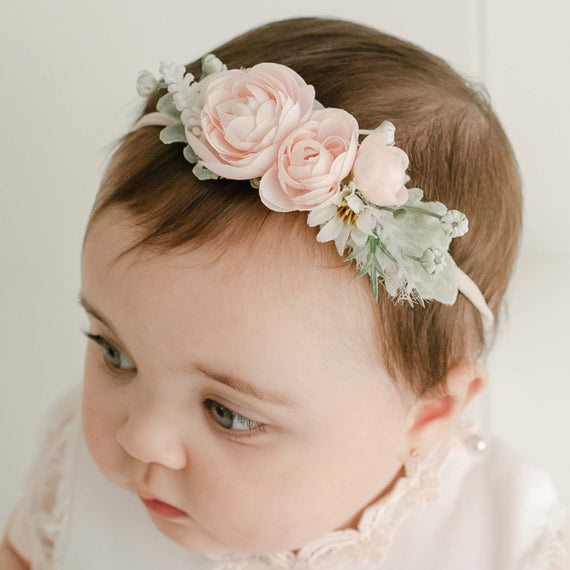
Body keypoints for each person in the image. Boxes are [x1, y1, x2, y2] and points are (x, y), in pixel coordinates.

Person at [1, 16, 568, 570]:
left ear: (427, 415)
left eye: (228, 414)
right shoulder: (77, 473)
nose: (141, 437)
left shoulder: (502, 539)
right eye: (114, 353)